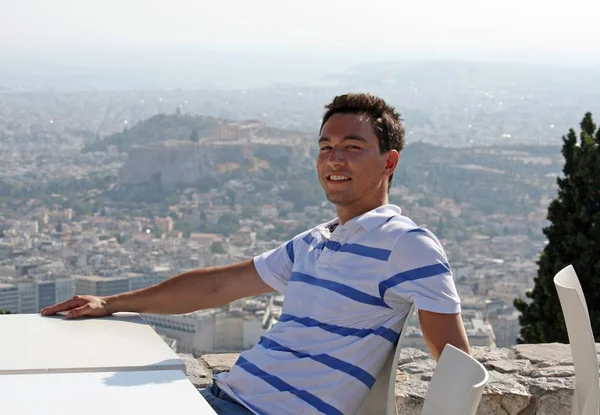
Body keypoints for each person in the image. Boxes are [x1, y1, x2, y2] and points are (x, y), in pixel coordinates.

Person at [42, 93, 470, 415]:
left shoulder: (407, 244)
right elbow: (217, 285)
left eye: (353, 147)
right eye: (325, 147)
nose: (334, 158)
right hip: (222, 396)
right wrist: (110, 303)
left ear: (389, 161)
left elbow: (457, 364)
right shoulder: (313, 242)